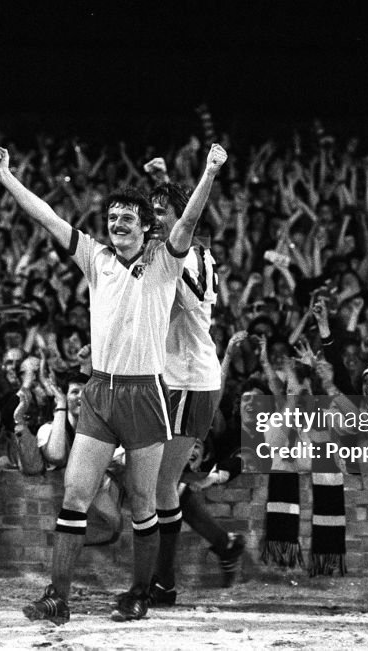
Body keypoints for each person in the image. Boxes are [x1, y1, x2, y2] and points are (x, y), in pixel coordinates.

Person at [0, 142, 227, 624]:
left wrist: (208, 173)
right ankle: (57, 598)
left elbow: (188, 222)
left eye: (126, 218)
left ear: (144, 226)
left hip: (144, 394)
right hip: (99, 392)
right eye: (112, 217)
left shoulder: (166, 259)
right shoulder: (94, 257)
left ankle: (140, 592)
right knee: (74, 497)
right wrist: (5, 178)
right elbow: (48, 218)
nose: (117, 224)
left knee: (143, 502)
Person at [145, 181, 240, 607]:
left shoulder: (186, 259)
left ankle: (163, 581)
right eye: (153, 212)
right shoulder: (193, 252)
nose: (154, 220)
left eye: (161, 212)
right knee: (162, 485)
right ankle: (212, 550)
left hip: (187, 379)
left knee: (161, 485)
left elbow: (182, 300)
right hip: (175, 377)